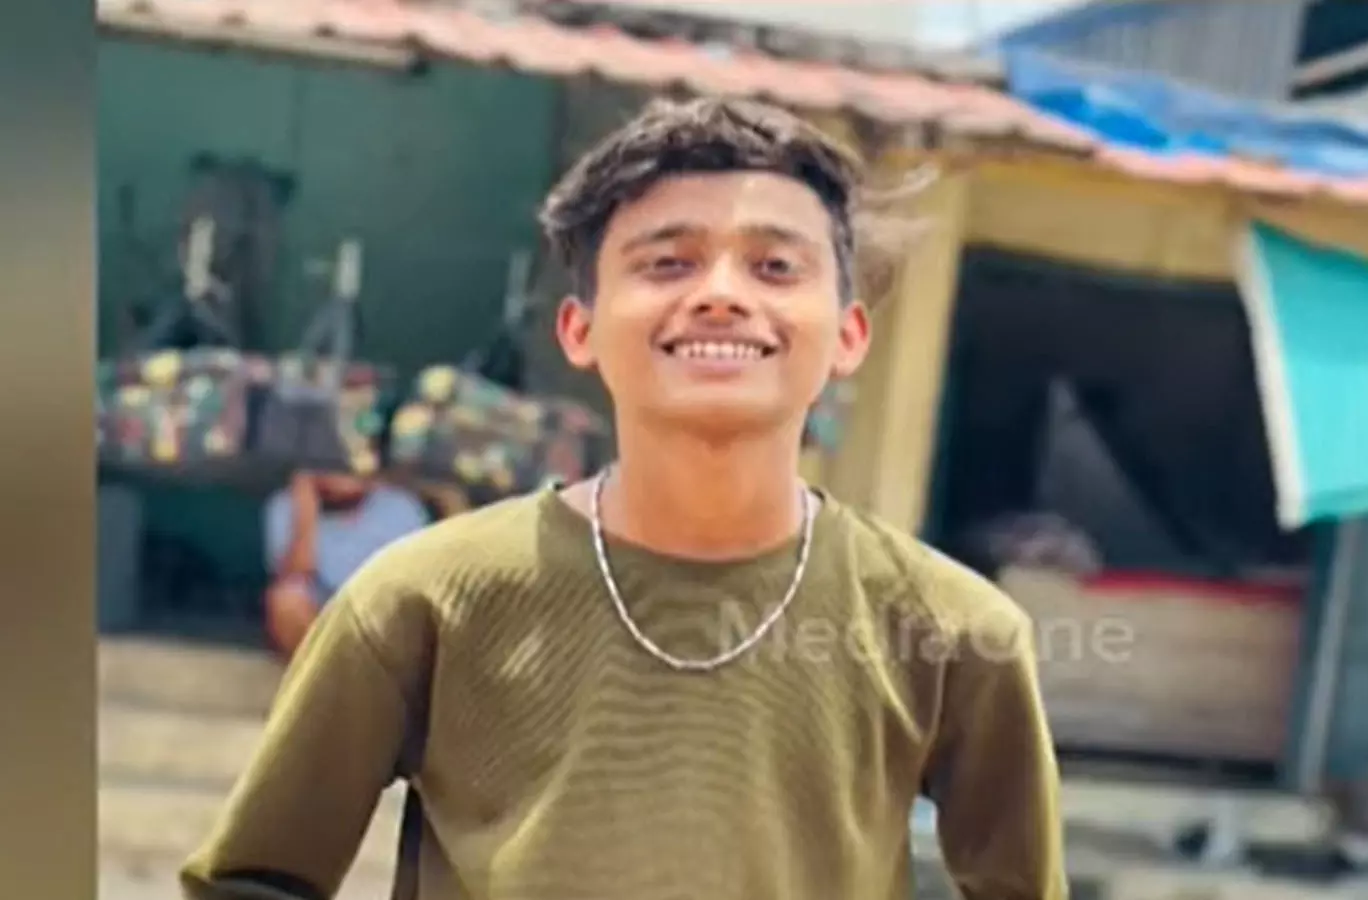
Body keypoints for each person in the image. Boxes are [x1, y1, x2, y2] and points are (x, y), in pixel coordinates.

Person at [182, 98, 1066, 900]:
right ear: (580, 329)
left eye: (774, 266)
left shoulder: (954, 633)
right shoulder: (422, 602)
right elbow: (252, 882)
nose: (721, 295)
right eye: (668, 262)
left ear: (848, 334)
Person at [261, 469, 429, 659]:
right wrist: (307, 511)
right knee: (286, 599)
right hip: (321, 616)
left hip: (379, 613)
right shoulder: (286, 504)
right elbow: (294, 575)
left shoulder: (401, 506)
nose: (341, 476)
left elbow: (414, 585)